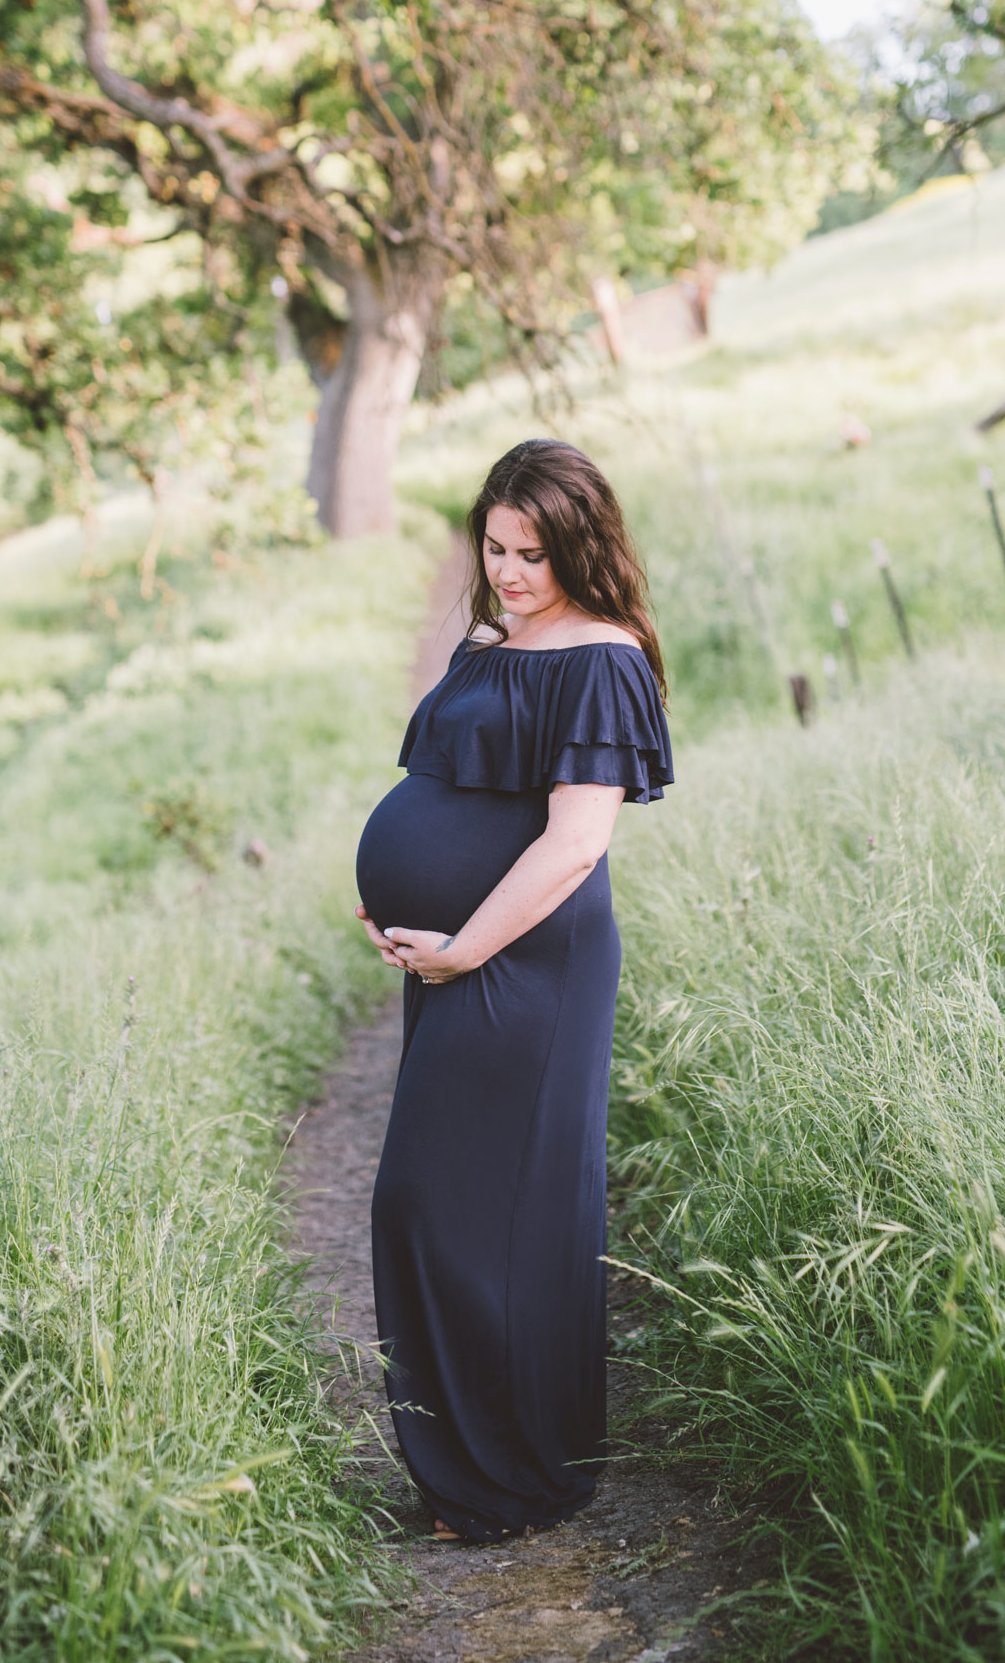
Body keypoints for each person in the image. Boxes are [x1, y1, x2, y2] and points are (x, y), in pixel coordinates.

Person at [354, 437, 673, 1543]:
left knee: (463, 1207)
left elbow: (573, 845)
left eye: (533, 553)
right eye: (495, 547)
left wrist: (464, 946)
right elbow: (442, 784)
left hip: (527, 961)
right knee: (451, 1204)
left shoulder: (604, 658)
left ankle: (512, 1474)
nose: (509, 572)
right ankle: (481, 1471)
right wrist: (391, 893)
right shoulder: (495, 637)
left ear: (581, 546)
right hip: (456, 954)